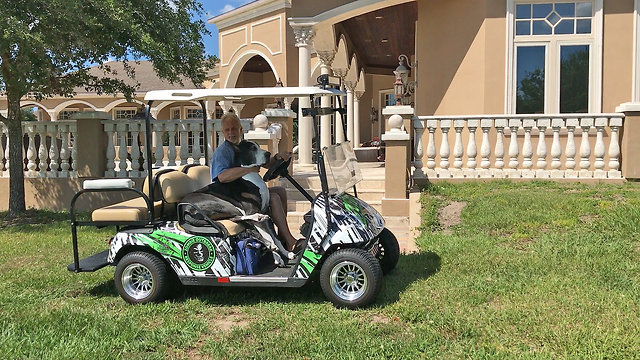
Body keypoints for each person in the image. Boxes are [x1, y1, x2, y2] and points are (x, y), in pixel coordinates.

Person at [210, 112, 298, 251]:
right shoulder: (223, 152)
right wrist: (248, 170)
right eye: (227, 130)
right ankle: (290, 241)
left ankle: (283, 238)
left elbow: (265, 162)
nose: (231, 133)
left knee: (280, 191)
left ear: (240, 130)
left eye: (234, 129)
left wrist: (278, 157)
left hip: (243, 194)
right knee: (273, 197)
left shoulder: (244, 146)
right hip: (230, 199)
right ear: (223, 132)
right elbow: (222, 177)